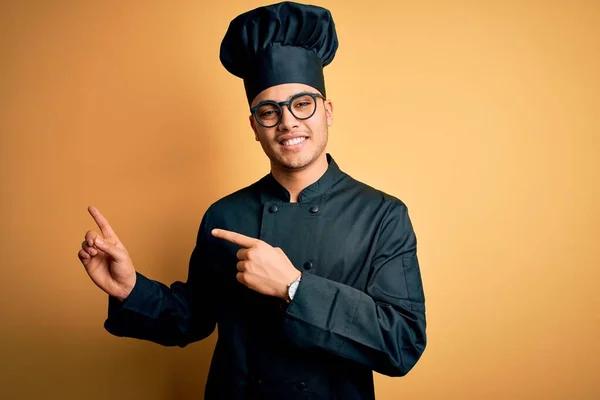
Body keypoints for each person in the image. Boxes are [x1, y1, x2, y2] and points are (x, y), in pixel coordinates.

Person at [78, 2, 426, 399]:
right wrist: (128, 288)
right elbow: (191, 320)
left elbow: (403, 343)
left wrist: (294, 287)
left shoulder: (382, 216)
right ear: (254, 126)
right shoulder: (225, 214)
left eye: (302, 104)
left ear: (327, 111)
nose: (288, 122)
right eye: (268, 111)